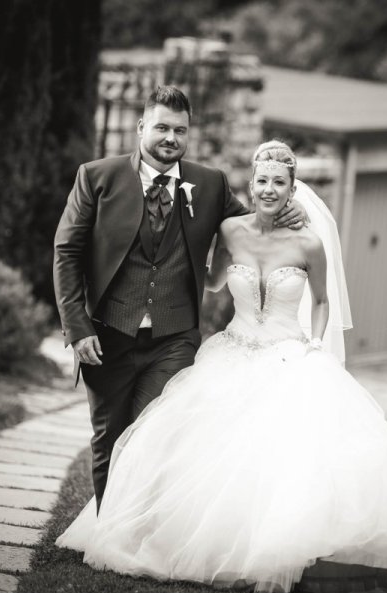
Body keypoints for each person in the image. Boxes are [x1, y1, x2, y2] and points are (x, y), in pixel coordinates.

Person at [55, 141, 387, 593]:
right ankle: (155, 528)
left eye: (280, 182)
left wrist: (315, 346)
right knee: (191, 449)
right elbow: (213, 280)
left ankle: (266, 549)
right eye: (262, 180)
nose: (270, 189)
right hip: (232, 351)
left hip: (288, 354)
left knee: (280, 461)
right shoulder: (230, 231)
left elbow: (320, 302)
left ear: (293, 189)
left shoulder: (308, 242)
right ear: (250, 184)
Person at [53, 87, 305, 508]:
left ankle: (135, 530)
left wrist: (289, 212)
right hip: (107, 336)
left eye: (180, 130)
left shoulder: (209, 184)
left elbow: (253, 225)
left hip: (174, 338)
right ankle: (106, 526)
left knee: (152, 435)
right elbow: (67, 253)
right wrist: (77, 328)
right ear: (141, 128)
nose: (171, 137)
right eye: (162, 127)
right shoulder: (97, 177)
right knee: (109, 437)